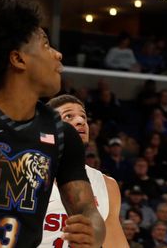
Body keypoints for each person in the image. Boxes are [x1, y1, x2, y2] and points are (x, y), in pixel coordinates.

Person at [0, 0, 105, 246]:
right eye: (46, 45)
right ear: (18, 58)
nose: (58, 55)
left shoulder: (63, 136)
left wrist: (91, 231)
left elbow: (87, 211)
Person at [40, 94, 129, 247]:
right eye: (68, 116)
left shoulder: (107, 185)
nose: (81, 121)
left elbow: (116, 243)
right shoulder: (25, 171)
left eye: (83, 117)